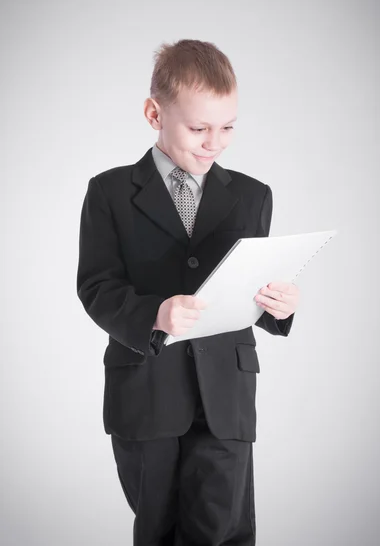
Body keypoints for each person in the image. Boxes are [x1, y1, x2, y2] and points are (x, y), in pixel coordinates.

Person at [77, 39, 300, 545]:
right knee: (157, 528)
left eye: (227, 128)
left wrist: (278, 307)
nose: (213, 142)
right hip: (146, 390)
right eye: (198, 128)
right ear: (154, 113)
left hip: (227, 394)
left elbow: (250, 287)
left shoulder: (252, 195)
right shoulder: (109, 192)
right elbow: (95, 286)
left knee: (223, 530)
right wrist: (155, 314)